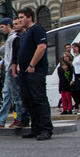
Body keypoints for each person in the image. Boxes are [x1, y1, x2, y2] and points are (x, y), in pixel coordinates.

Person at [17, 8, 53, 140]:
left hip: (35, 71)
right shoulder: (25, 34)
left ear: (29, 17)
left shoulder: (37, 29)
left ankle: (46, 129)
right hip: (25, 72)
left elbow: (41, 47)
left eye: (22, 17)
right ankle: (36, 127)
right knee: (28, 100)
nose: (20, 20)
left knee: (39, 99)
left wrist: (32, 64)